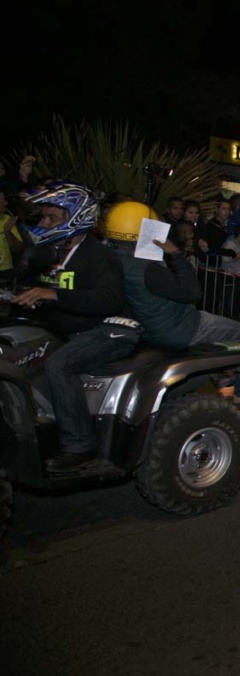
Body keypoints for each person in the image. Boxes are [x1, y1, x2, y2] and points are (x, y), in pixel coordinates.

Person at [11, 181, 141, 472]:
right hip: (69, 327)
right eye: (43, 217)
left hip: (110, 329)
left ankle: (79, 445)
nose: (43, 223)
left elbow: (109, 300)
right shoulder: (47, 252)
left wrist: (54, 295)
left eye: (51, 218)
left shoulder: (99, 255)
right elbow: (29, 285)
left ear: (76, 218)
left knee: (60, 365)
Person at [101, 201, 240, 406]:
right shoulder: (145, 268)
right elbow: (191, 292)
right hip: (178, 326)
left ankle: (221, 376)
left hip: (147, 326)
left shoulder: (111, 259)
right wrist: (177, 255)